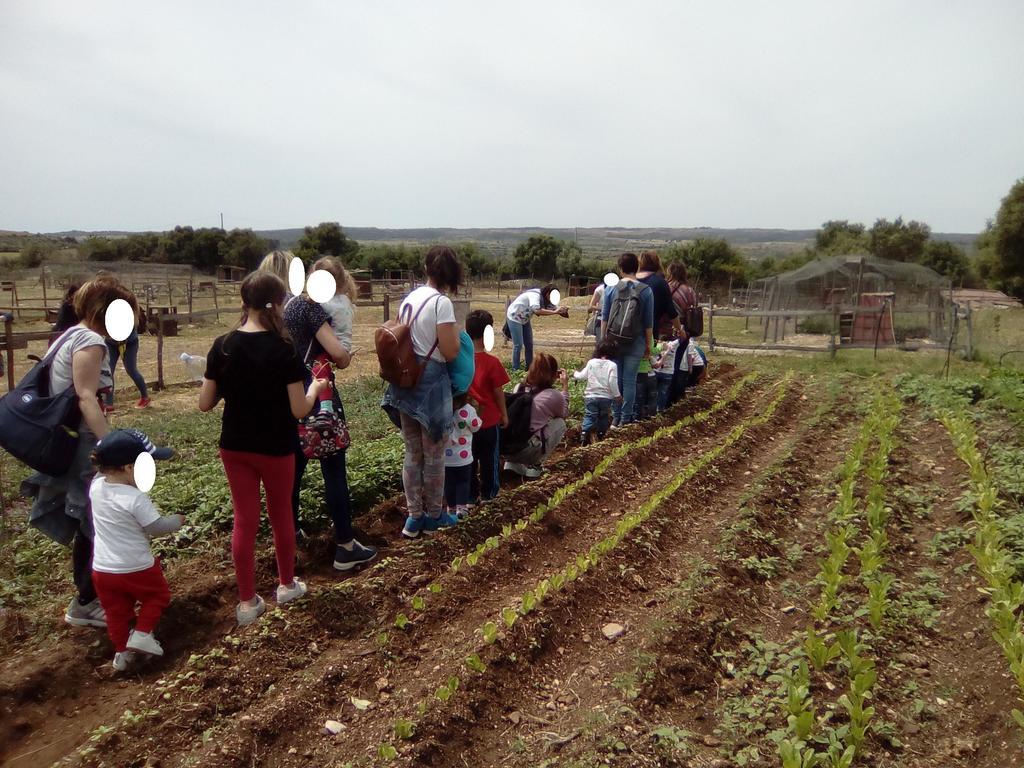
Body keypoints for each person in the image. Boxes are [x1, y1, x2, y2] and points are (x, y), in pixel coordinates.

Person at [200, 272, 324, 625]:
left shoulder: (222, 346)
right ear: (277, 304)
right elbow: (299, 409)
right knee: (280, 514)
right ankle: (286, 585)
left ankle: (246, 603)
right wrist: (315, 387)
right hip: (275, 445)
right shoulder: (283, 349)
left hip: (235, 445)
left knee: (245, 520)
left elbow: (205, 403)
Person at [21, 276, 139, 629]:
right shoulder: (89, 341)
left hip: (74, 442)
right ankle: (88, 600)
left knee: (93, 518)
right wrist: (111, 449)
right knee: (95, 521)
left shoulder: (71, 335)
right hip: (84, 446)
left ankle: (97, 594)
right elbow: (86, 397)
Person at [282, 264, 376, 571]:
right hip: (318, 393)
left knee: (291, 475)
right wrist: (347, 354)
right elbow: (338, 355)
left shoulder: (289, 305)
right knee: (333, 471)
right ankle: (346, 546)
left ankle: (290, 540)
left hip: (289, 394)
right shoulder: (311, 310)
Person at [382, 246, 464, 539]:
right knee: (435, 454)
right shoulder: (441, 303)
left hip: (405, 379)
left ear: (427, 268)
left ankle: (413, 517)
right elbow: (450, 350)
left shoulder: (411, 296)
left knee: (412, 452)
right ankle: (434, 516)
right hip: (430, 381)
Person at [89, 429, 182, 672]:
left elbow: (100, 474)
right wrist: (177, 521)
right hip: (136, 566)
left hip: (102, 570)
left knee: (116, 613)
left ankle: (122, 654)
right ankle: (141, 634)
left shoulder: (96, 488)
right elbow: (156, 527)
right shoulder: (135, 498)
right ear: (130, 468)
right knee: (157, 596)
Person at [601, 253, 654, 428]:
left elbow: (605, 317)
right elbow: (648, 323)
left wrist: (603, 341)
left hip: (614, 341)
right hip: (636, 341)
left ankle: (615, 418)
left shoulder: (610, 289)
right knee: (629, 380)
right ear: (637, 267)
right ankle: (626, 419)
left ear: (620, 268)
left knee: (616, 380)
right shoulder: (646, 291)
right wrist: (648, 345)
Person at [466, 310, 510, 505]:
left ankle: (469, 496)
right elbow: (498, 392)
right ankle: (489, 494)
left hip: (466, 423)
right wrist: (504, 414)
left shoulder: (461, 362)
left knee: (468, 460)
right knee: (489, 460)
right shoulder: (492, 363)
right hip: (489, 421)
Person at [503, 353, 569, 477]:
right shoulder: (553, 395)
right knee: (560, 423)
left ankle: (512, 464)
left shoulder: (519, 388)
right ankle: (535, 465)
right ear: (554, 374)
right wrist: (565, 387)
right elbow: (564, 413)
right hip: (528, 451)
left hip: (507, 449)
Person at [505, 284, 568, 371]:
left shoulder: (543, 298)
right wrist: (555, 312)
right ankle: (515, 369)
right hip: (514, 317)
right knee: (518, 345)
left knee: (529, 344)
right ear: (547, 293)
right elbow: (537, 310)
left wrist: (560, 309)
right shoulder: (535, 296)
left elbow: (551, 307)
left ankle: (530, 368)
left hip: (524, 319)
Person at [573, 339, 620, 445]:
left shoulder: (591, 362)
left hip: (591, 396)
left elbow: (582, 376)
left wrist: (575, 373)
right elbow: (612, 382)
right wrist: (617, 395)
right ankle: (601, 434)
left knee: (590, 415)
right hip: (606, 397)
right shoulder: (612, 365)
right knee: (603, 416)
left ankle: (584, 433)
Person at [443, 393, 482, 519]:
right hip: (463, 458)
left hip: (446, 458)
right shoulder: (468, 410)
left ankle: (451, 508)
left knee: (448, 483)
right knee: (463, 482)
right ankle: (462, 508)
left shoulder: (442, 409)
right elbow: (475, 427)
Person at [104, 318, 150, 412]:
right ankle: (108, 403)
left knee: (131, 370)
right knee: (108, 371)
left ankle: (145, 397)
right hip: (111, 343)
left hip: (129, 343)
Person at [638, 251, 682, 342]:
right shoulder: (660, 283)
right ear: (656, 264)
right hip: (648, 334)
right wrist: (679, 330)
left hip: (622, 333)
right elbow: (672, 312)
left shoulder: (628, 281)